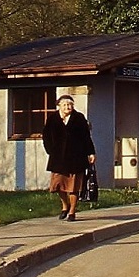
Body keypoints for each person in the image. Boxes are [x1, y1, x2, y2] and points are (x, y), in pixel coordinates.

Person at [42, 94, 96, 222]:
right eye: (65, 105)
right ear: (59, 106)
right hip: (58, 158)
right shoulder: (52, 119)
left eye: (70, 104)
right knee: (58, 185)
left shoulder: (79, 118)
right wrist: (51, 150)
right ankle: (64, 206)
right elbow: (46, 136)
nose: (68, 107)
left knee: (74, 186)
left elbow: (86, 137)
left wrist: (91, 153)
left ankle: (72, 211)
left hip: (76, 157)